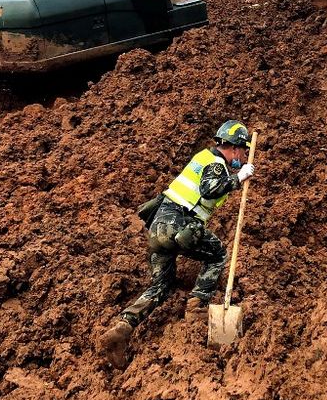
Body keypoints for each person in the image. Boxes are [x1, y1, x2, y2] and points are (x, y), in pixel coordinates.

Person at [99, 121, 255, 368]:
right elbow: (209, 190)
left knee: (161, 285)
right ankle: (197, 307)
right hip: (178, 223)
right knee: (216, 254)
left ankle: (123, 328)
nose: (244, 156)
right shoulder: (216, 165)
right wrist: (238, 179)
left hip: (158, 229)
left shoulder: (202, 157)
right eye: (243, 151)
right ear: (234, 148)